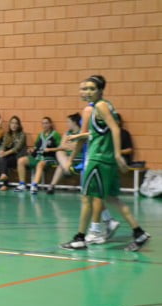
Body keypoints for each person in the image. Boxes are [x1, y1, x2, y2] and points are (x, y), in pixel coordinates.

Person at [61, 75, 149, 252]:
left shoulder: (99, 106)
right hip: (105, 161)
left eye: (91, 89)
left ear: (100, 91)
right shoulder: (105, 106)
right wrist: (79, 136)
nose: (87, 92)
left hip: (98, 159)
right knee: (112, 199)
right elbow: (98, 133)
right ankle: (139, 233)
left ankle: (80, 238)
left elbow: (116, 129)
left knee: (87, 198)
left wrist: (117, 154)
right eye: (85, 88)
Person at [14, 117, 61, 194]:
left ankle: (35, 185)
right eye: (43, 123)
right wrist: (32, 149)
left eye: (46, 123)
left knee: (40, 164)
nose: (44, 125)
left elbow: (60, 148)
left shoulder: (55, 135)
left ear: (50, 124)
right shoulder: (40, 135)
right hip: (38, 156)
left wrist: (50, 149)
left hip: (49, 158)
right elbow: (36, 146)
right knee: (21, 160)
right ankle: (22, 184)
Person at [46, 113, 83, 194]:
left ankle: (52, 185)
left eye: (68, 122)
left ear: (74, 122)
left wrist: (69, 146)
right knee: (59, 152)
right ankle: (67, 169)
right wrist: (68, 146)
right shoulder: (67, 133)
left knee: (61, 165)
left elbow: (77, 147)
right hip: (66, 158)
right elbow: (62, 146)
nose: (67, 124)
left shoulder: (82, 132)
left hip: (77, 156)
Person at [0, 116, 27, 191]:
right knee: (2, 158)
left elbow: (17, 148)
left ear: (19, 125)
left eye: (16, 123)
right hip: (10, 157)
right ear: (10, 124)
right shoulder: (7, 135)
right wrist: (1, 151)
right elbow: (3, 145)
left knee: (3, 158)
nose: (14, 125)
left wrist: (5, 153)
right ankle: (4, 179)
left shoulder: (22, 134)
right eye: (12, 123)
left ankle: (4, 183)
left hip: (19, 158)